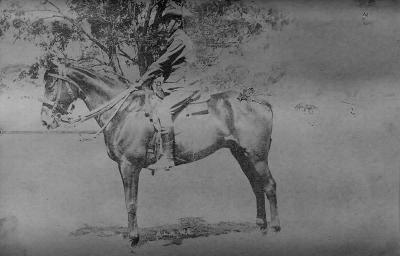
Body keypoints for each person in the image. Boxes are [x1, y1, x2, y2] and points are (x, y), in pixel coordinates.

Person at [137, 2, 195, 171]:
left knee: (163, 111)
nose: (165, 24)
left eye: (168, 21)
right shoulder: (175, 38)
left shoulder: (180, 39)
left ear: (177, 22)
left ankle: (168, 158)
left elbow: (162, 63)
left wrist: (142, 80)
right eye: (164, 21)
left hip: (184, 86)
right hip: (174, 85)